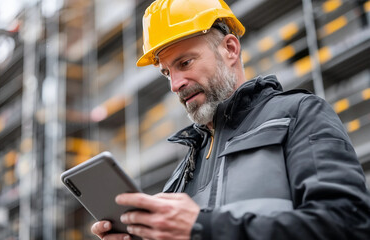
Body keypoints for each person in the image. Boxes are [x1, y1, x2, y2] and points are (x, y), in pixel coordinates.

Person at [92, 0, 370, 239]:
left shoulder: (299, 115)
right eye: (166, 73)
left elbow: (348, 225)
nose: (175, 84)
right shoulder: (180, 175)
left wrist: (203, 228)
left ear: (230, 49)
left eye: (185, 63)